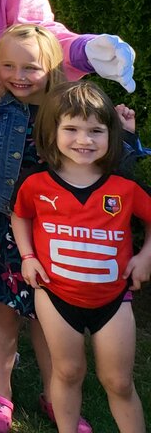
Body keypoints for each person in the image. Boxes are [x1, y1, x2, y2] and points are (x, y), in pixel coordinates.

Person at [0, 25, 96, 432]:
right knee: (4, 310)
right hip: (2, 221)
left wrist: (127, 131)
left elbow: (99, 157)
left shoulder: (70, 110)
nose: (18, 75)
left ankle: (56, 396)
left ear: (51, 68)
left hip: (55, 230)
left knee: (49, 318)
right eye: (8, 65)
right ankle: (1, 392)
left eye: (30, 67)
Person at [13, 82, 151, 433]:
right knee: (68, 371)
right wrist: (27, 256)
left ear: (111, 135)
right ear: (52, 132)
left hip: (113, 298)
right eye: (71, 129)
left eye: (96, 131)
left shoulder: (124, 186)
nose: (84, 140)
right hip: (55, 294)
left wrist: (146, 256)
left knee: (119, 381)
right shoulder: (35, 184)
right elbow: (21, 215)